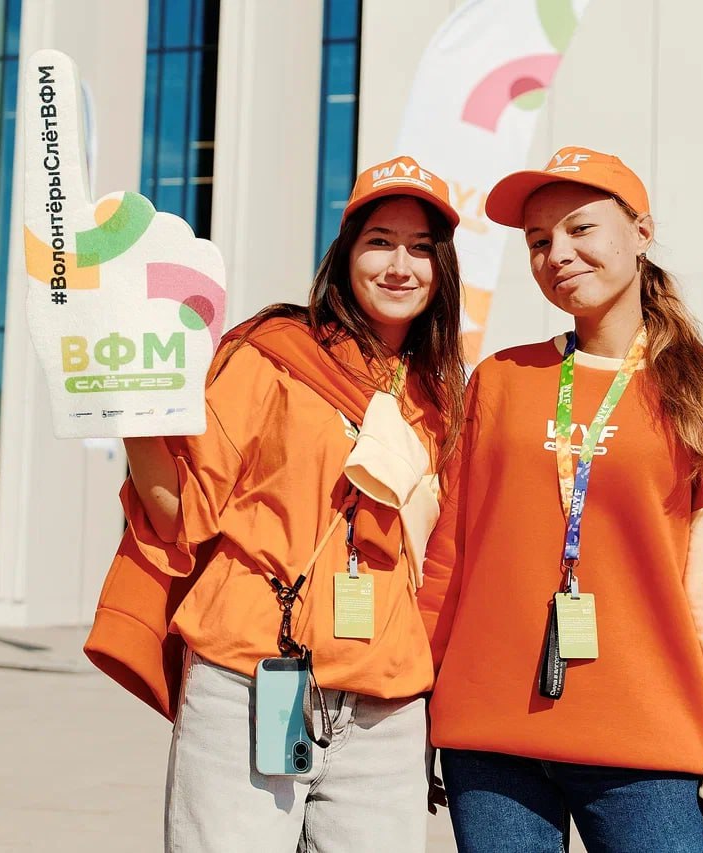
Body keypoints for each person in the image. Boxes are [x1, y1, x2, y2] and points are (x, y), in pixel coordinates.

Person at [87, 155, 466, 851]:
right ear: (345, 254)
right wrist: (136, 415)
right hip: (250, 677)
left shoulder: (440, 399)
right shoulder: (272, 355)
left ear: (441, 269)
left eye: (420, 248)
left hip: (385, 708)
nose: (399, 265)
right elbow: (183, 513)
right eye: (380, 241)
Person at [419, 147, 703, 853]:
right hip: (489, 740)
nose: (557, 253)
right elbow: (448, 560)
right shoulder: (500, 379)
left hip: (648, 746)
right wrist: (413, 713)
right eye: (538, 241)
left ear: (642, 232)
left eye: (580, 228)